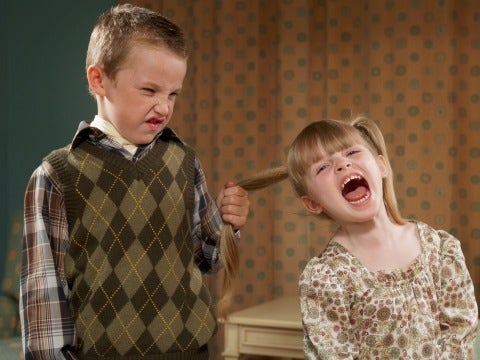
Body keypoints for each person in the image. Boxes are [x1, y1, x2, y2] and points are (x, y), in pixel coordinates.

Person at [20, 4, 250, 359]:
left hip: (192, 351)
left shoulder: (185, 162)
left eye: (173, 94)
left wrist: (228, 226)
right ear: (99, 80)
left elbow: (208, 260)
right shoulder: (56, 175)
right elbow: (44, 297)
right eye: (149, 90)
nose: (164, 107)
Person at [287, 116, 478, 358]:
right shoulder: (326, 278)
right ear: (313, 203)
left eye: (352, 152)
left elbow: (460, 330)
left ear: (381, 166)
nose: (342, 165)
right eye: (323, 167)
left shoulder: (439, 249)